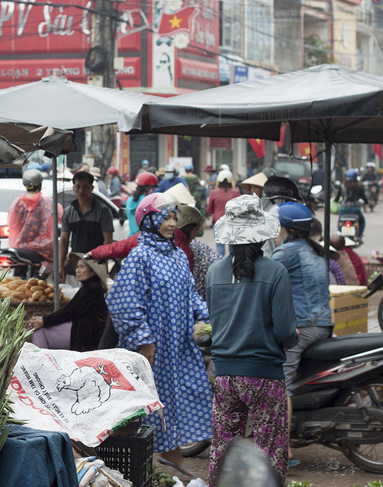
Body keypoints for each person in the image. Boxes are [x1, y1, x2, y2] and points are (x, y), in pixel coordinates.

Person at [107, 192, 212, 477]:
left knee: (182, 395)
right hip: (150, 349)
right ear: (148, 220)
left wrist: (208, 317)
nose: (171, 222)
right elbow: (123, 301)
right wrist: (144, 340)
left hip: (177, 344)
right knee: (145, 406)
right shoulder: (140, 256)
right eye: (165, 216)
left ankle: (170, 454)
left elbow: (190, 295)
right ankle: (133, 468)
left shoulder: (178, 256)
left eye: (173, 217)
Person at [206, 194, 298, 486]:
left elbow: (216, 321)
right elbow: (285, 331)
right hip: (265, 378)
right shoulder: (275, 272)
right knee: (269, 452)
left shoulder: (213, 272)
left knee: (223, 450)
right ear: (261, 236)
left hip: (224, 377)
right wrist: (291, 340)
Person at [271, 202, 333, 465]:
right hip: (324, 325)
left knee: (279, 384)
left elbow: (262, 282)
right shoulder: (317, 251)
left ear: (287, 229)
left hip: (303, 328)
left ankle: (283, 450)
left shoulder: (285, 253)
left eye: (277, 227)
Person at [29, 253, 108, 352]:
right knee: (35, 324)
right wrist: (44, 320)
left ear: (92, 272)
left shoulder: (92, 289)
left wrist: (44, 321)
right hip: (81, 330)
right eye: (77, 267)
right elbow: (70, 310)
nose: (77, 270)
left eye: (81, 267)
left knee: (38, 329)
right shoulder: (90, 287)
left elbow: (69, 311)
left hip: (86, 335)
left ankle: (41, 361)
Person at [59, 171, 114, 279]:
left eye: (85, 187)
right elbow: (64, 240)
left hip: (95, 265)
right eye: (78, 186)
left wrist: (102, 262)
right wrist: (60, 265)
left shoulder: (103, 211)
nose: (81, 190)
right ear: (73, 188)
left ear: (92, 188)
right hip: (75, 264)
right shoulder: (68, 211)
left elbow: (108, 240)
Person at [8, 169, 62, 267]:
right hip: (44, 248)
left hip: (20, 246)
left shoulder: (17, 203)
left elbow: (12, 224)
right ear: (40, 184)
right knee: (62, 258)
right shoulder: (49, 203)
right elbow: (62, 219)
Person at [207, 170, 240, 257]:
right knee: (232, 251)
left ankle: (221, 269)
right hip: (232, 223)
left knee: (220, 251)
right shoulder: (236, 192)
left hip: (218, 223)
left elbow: (209, 210)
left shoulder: (213, 192)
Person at [334, 169, 368, 242]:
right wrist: (366, 202)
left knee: (340, 222)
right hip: (355, 210)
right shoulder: (359, 186)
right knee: (362, 221)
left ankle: (340, 235)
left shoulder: (342, 186)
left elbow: (336, 199)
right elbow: (364, 198)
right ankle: (359, 237)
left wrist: (336, 200)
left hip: (343, 209)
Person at [125, 172, 158, 236]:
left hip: (131, 237)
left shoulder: (129, 199)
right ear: (148, 187)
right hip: (143, 238)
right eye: (153, 187)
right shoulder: (147, 201)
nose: (153, 190)